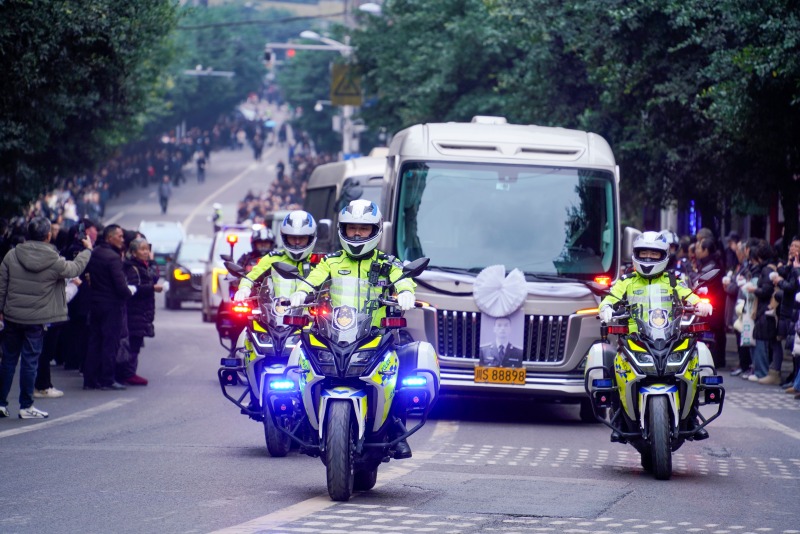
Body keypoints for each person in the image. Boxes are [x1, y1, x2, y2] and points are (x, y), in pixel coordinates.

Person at [289, 199, 417, 458]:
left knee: (399, 377)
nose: (357, 234)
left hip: (375, 335)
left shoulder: (387, 262)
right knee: (300, 367)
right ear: (343, 230)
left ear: (375, 230)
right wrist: (301, 293)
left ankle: (394, 428)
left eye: (363, 228)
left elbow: (403, 279)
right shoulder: (331, 261)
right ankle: (304, 422)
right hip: (336, 333)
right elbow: (313, 279)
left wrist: (405, 293)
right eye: (351, 228)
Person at [598, 231, 712, 440]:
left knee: (693, 368)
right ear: (635, 254)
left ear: (664, 256)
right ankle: (619, 418)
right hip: (634, 340)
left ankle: (692, 417)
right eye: (644, 253)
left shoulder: (672, 280)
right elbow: (610, 298)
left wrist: (701, 304)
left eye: (654, 254)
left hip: (668, 338)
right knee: (615, 368)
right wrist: (605, 308)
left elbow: (689, 295)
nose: (649, 258)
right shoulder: (627, 281)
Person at [0, 217, 92, 419]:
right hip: (37, 319)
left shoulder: (11, 256)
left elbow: (2, 287)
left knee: (8, 360)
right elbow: (75, 269)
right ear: (48, 235)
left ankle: (1, 403)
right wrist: (87, 250)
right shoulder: (54, 260)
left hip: (12, 315)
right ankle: (26, 406)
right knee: (30, 362)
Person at [84, 224, 134, 391]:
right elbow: (120, 286)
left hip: (96, 303)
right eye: (119, 236)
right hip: (111, 306)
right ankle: (107, 379)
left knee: (94, 341)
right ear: (110, 237)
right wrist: (130, 293)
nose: (122, 239)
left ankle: (90, 379)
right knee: (110, 342)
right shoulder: (112, 258)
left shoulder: (96, 252)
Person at [119, 238, 162, 386]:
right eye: (142, 249)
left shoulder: (144, 265)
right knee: (132, 343)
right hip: (134, 311)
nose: (146, 252)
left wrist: (152, 262)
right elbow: (134, 289)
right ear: (133, 252)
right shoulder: (132, 268)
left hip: (143, 311)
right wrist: (152, 288)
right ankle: (127, 373)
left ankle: (129, 372)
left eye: (147, 249)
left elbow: (154, 276)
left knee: (136, 342)